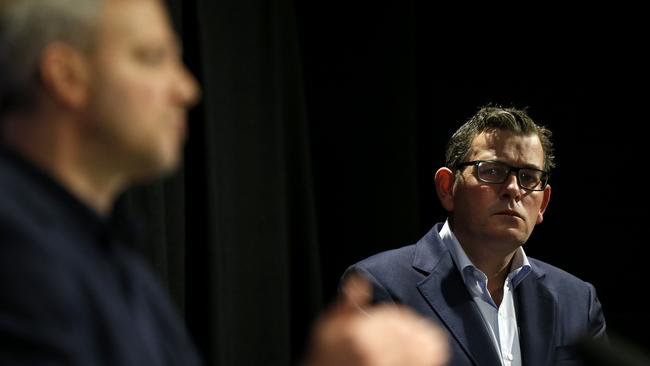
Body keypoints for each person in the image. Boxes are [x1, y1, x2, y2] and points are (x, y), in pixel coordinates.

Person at [0, 0, 448, 365]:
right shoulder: (16, 251)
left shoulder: (110, 252)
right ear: (66, 76)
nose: (186, 89)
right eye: (152, 58)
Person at [344, 105, 607, 366]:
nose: (513, 189)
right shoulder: (379, 286)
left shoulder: (577, 300)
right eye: (492, 171)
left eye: (528, 177)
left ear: (543, 204)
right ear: (447, 188)